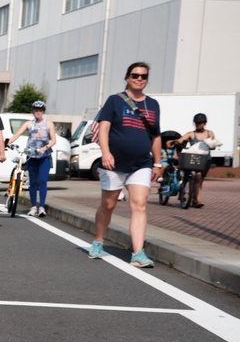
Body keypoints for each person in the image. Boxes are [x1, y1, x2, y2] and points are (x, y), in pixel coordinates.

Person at [89, 62, 162, 267]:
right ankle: (98, 240)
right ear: (127, 77)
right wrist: (105, 153)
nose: (139, 79)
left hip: (142, 163)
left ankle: (138, 253)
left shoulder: (153, 104)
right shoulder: (115, 101)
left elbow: (156, 136)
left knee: (139, 205)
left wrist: (158, 162)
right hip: (114, 162)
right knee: (109, 204)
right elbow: (104, 129)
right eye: (135, 75)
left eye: (143, 76)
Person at [9, 100, 57, 217]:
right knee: (33, 182)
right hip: (32, 156)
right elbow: (17, 134)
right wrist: (7, 142)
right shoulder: (29, 124)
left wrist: (45, 148)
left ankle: (42, 207)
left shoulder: (49, 123)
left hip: (44, 156)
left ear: (43, 112)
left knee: (43, 181)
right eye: (36, 110)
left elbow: (54, 140)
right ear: (33, 112)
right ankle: (33, 207)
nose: (38, 112)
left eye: (40, 110)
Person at [178, 113, 216, 208]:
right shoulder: (191, 134)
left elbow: (214, 145)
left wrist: (212, 145)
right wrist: (175, 141)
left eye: (201, 122)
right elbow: (181, 139)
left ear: (204, 123)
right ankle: (197, 200)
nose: (199, 124)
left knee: (200, 180)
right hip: (193, 159)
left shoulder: (209, 133)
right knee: (197, 176)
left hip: (205, 160)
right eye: (197, 123)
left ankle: (195, 199)